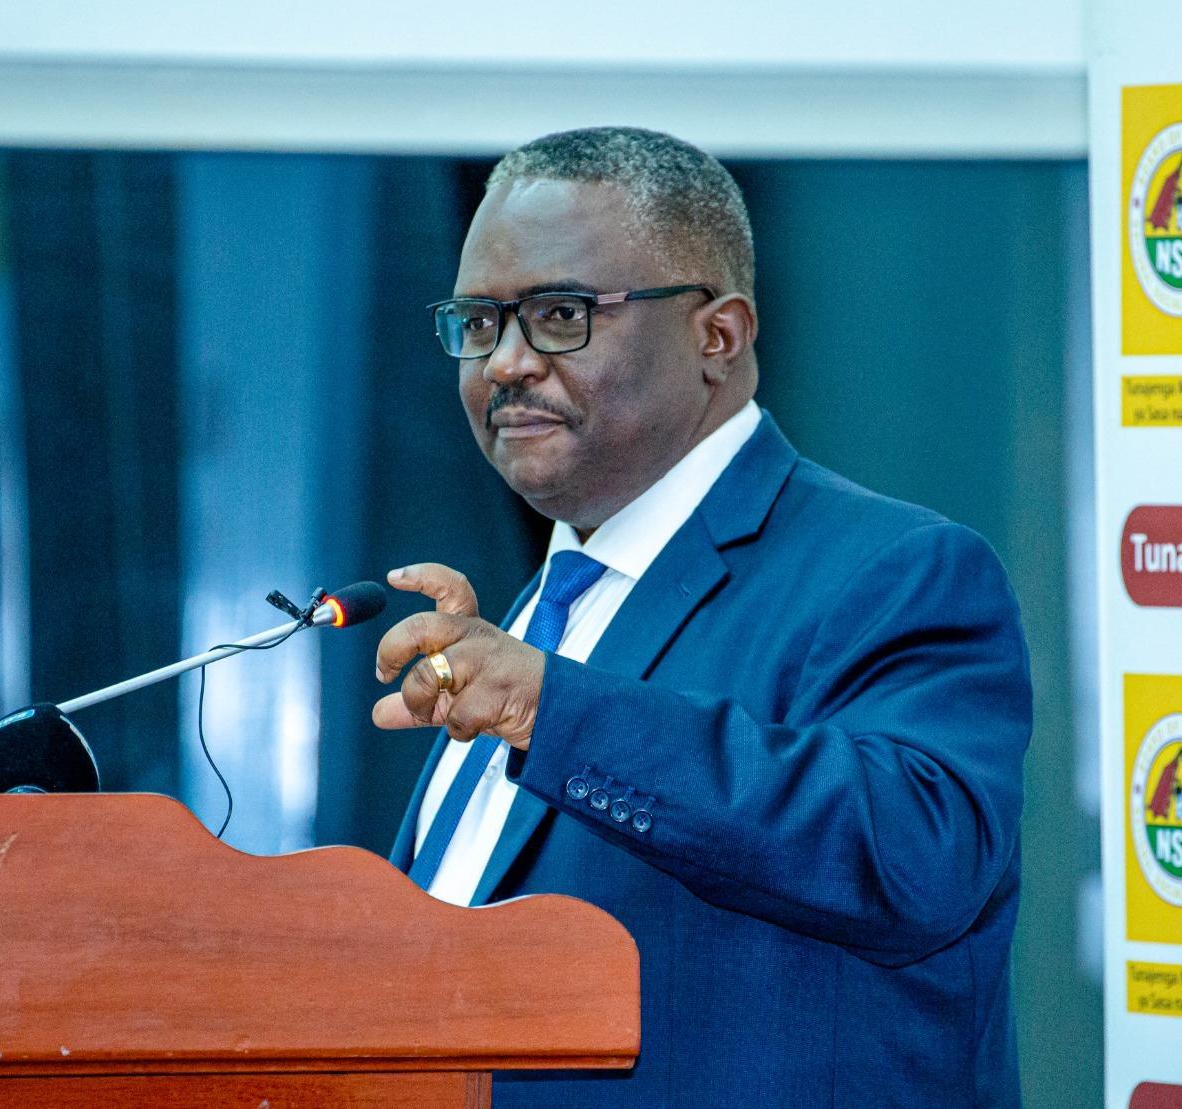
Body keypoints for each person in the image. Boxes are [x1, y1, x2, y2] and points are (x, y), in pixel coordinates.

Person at [372, 127, 1031, 1108]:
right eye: (478, 321)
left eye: (557, 315)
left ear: (717, 336)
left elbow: (918, 860)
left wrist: (549, 708)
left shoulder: (898, 571)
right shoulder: (542, 609)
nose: (504, 362)